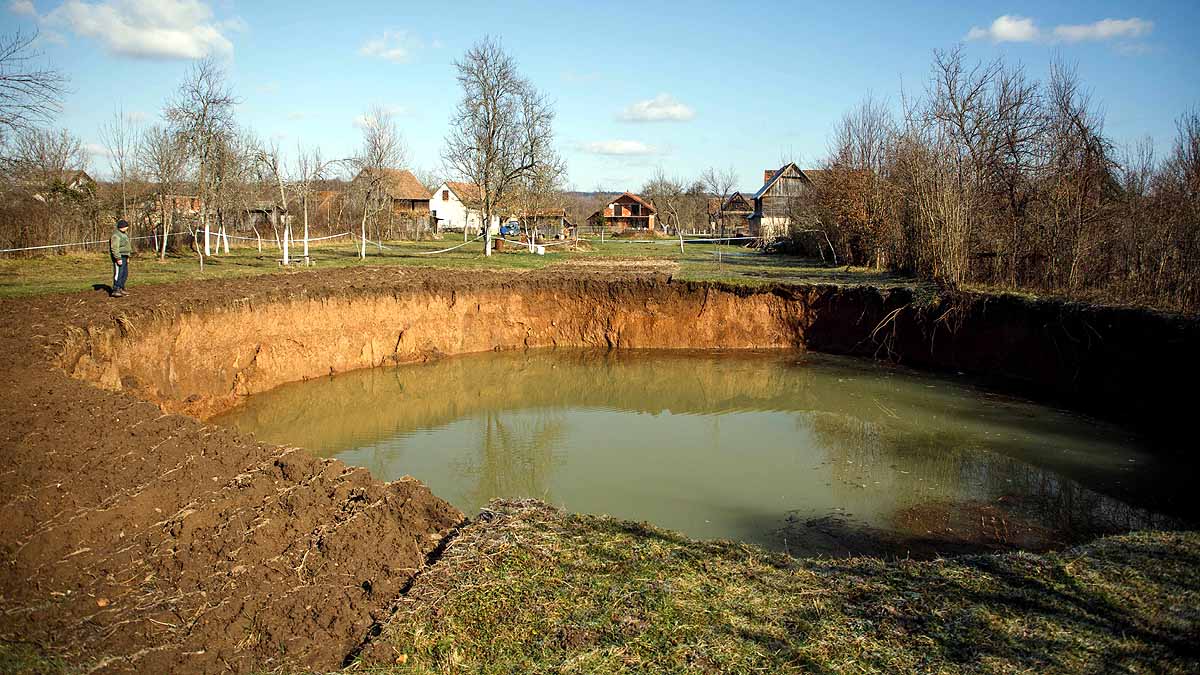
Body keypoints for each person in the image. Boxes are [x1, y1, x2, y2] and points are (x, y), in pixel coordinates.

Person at [109, 219, 132, 298]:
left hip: (125, 256)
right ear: (122, 227)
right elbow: (114, 248)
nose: (127, 228)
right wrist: (118, 258)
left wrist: (128, 256)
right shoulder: (116, 235)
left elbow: (127, 246)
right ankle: (116, 289)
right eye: (126, 226)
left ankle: (121, 287)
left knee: (124, 273)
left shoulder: (124, 234)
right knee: (119, 273)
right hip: (120, 256)